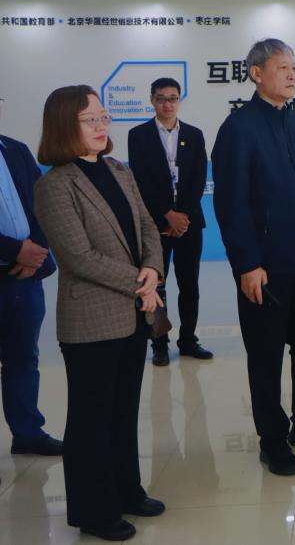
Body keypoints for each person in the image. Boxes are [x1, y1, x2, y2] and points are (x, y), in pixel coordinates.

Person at [212, 38, 295, 477]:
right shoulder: (238, 128)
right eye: (282, 67)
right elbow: (230, 203)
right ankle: (272, 440)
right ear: (256, 74)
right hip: (264, 266)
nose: (292, 75)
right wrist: (246, 264)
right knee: (266, 355)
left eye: (294, 68)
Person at [34, 85, 165, 542]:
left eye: (104, 117)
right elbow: (79, 257)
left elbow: (148, 226)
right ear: (64, 125)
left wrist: (153, 269)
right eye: (90, 119)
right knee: (92, 420)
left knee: (124, 411)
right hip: (91, 320)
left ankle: (128, 491)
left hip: (132, 312)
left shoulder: (118, 170)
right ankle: (94, 511)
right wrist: (141, 282)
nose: (101, 126)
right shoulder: (54, 185)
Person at [127, 77, 213, 366]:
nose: (167, 104)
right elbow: (141, 179)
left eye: (173, 98)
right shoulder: (138, 135)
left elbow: (199, 177)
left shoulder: (194, 134)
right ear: (152, 100)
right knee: (156, 285)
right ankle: (159, 344)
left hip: (189, 224)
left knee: (190, 285)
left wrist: (182, 215)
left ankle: (188, 340)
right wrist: (167, 213)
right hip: (155, 223)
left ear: (179, 100)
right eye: (161, 98)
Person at [0, 97, 62, 459]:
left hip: (25, 278)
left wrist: (36, 249)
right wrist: (14, 250)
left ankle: (27, 433)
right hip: (13, 262)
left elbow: (44, 205)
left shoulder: (17, 150)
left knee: (24, 357)